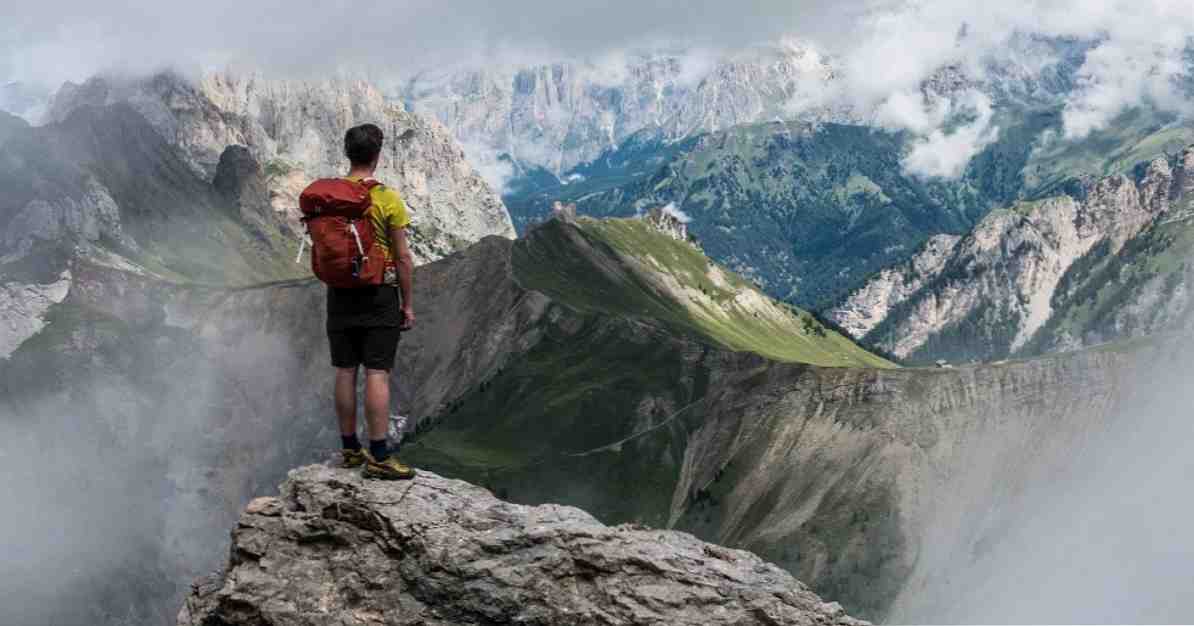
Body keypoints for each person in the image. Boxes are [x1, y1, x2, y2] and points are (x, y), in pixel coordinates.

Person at [328, 123, 417, 480]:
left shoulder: (330, 196)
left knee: (345, 370)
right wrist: (407, 304)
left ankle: (349, 449)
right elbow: (404, 257)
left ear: (348, 153)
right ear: (377, 156)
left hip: (339, 294)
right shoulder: (387, 198)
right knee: (377, 372)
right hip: (379, 293)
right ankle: (379, 455)